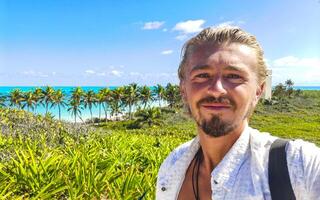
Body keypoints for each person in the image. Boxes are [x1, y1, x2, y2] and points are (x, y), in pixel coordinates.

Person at [156, 26, 320, 200]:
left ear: (258, 91)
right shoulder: (172, 166)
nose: (216, 90)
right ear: (183, 88)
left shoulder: (298, 166)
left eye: (234, 76)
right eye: (203, 75)